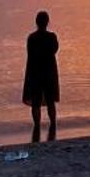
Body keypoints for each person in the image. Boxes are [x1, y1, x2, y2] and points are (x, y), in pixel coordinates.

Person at [22, 9, 60, 143]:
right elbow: (55, 50)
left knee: (36, 102)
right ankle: (53, 126)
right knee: (50, 101)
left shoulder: (32, 38)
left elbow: (30, 54)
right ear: (47, 22)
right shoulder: (52, 37)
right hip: (49, 72)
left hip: (35, 72)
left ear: (36, 22)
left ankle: (37, 127)